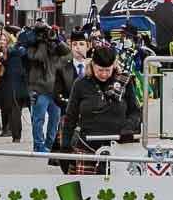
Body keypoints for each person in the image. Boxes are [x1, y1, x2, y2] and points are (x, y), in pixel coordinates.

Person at [59, 45, 141, 174]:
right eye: (100, 70)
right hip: (87, 146)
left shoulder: (125, 81)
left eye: (107, 70)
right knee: (85, 192)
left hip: (119, 148)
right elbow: (71, 117)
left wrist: (129, 127)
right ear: (92, 65)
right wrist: (65, 147)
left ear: (114, 65)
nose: (104, 74)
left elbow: (135, 111)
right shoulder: (81, 84)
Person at [18, 19, 70, 153]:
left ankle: (50, 144)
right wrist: (41, 42)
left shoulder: (54, 44)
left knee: (54, 119)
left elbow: (66, 51)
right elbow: (39, 58)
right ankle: (38, 146)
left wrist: (56, 39)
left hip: (55, 89)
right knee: (38, 119)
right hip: (38, 88)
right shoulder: (31, 46)